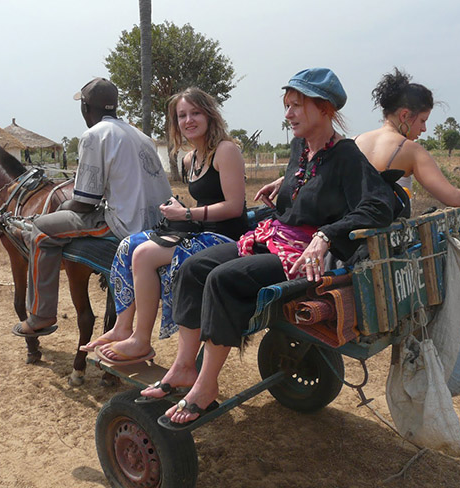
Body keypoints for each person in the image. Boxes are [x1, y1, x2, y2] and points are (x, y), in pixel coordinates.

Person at [140, 68, 396, 425]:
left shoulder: (347, 156)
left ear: (324, 109)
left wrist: (326, 235)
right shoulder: (301, 149)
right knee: (194, 268)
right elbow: (310, 177)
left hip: (304, 255)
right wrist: (286, 183)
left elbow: (379, 204)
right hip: (274, 237)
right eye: (287, 105)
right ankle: (184, 366)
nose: (288, 114)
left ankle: (206, 384)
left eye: (296, 106)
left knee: (222, 280)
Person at [80, 87, 248, 365]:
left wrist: (187, 214)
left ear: (209, 115)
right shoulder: (188, 159)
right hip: (199, 228)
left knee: (145, 255)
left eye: (195, 113)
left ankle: (141, 340)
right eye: (182, 115)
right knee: (129, 245)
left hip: (228, 237)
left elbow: (234, 207)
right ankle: (123, 326)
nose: (188, 120)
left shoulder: (226, 150)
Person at [12, 77, 172, 337]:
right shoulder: (141, 136)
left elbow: (86, 202)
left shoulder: (93, 136)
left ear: (85, 108)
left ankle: (40, 315)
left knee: (40, 229)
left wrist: (63, 205)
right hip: (158, 223)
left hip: (125, 224)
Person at [354, 68, 460, 206]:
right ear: (404, 115)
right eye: (422, 120)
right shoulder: (411, 150)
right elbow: (453, 197)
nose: (424, 129)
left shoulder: (352, 142)